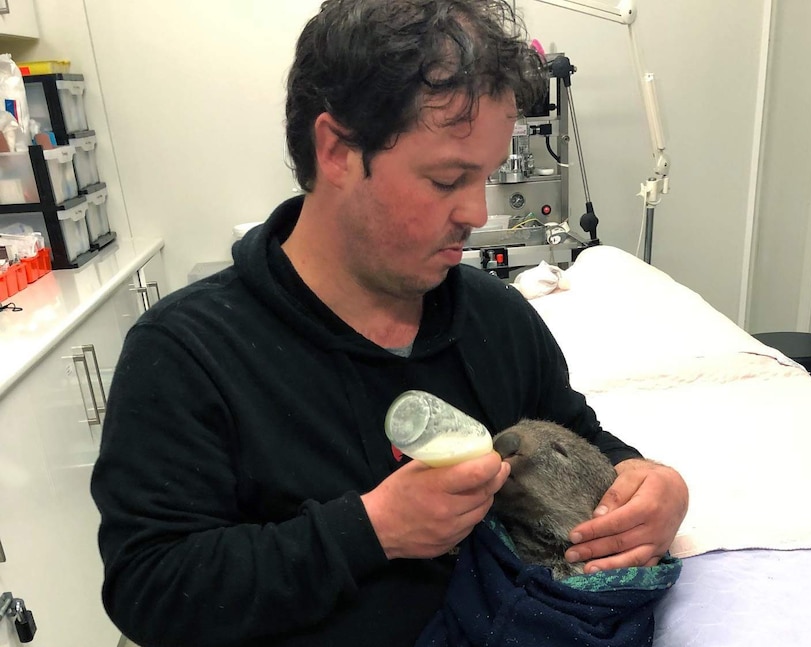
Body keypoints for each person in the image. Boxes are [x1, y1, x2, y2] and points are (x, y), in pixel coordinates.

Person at [90, 1, 688, 646]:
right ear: (339, 151)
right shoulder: (186, 355)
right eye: (447, 179)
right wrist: (370, 530)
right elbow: (150, 589)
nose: (475, 212)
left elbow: (577, 438)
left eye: (484, 178)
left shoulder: (497, 318)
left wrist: (652, 487)